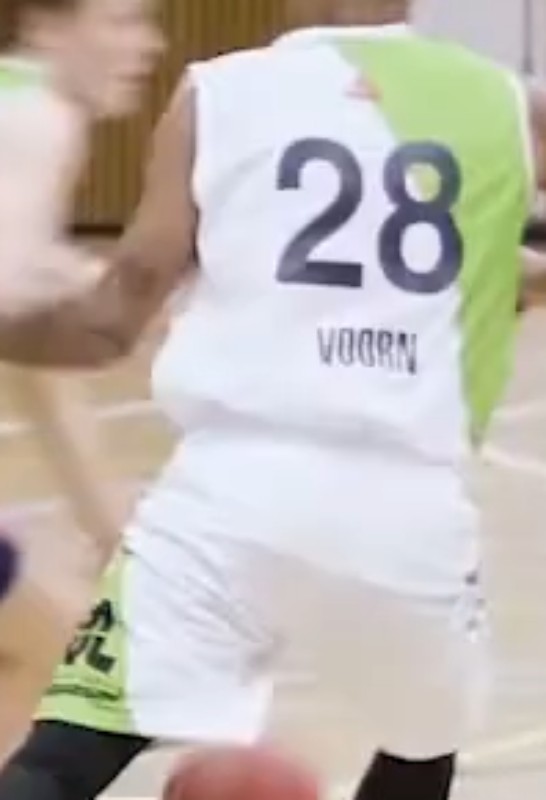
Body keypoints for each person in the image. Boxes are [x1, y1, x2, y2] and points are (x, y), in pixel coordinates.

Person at [0, 0, 546, 798]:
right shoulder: (504, 102)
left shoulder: (217, 91)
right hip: (405, 509)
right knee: (421, 747)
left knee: (62, 758)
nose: (144, 40)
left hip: (226, 496)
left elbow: (106, 326)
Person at [0, 0, 161, 763]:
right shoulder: (37, 119)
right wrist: (85, 283)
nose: (148, 45)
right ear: (46, 26)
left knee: (51, 649)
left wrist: (111, 536)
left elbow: (37, 371)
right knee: (63, 656)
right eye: (121, 21)